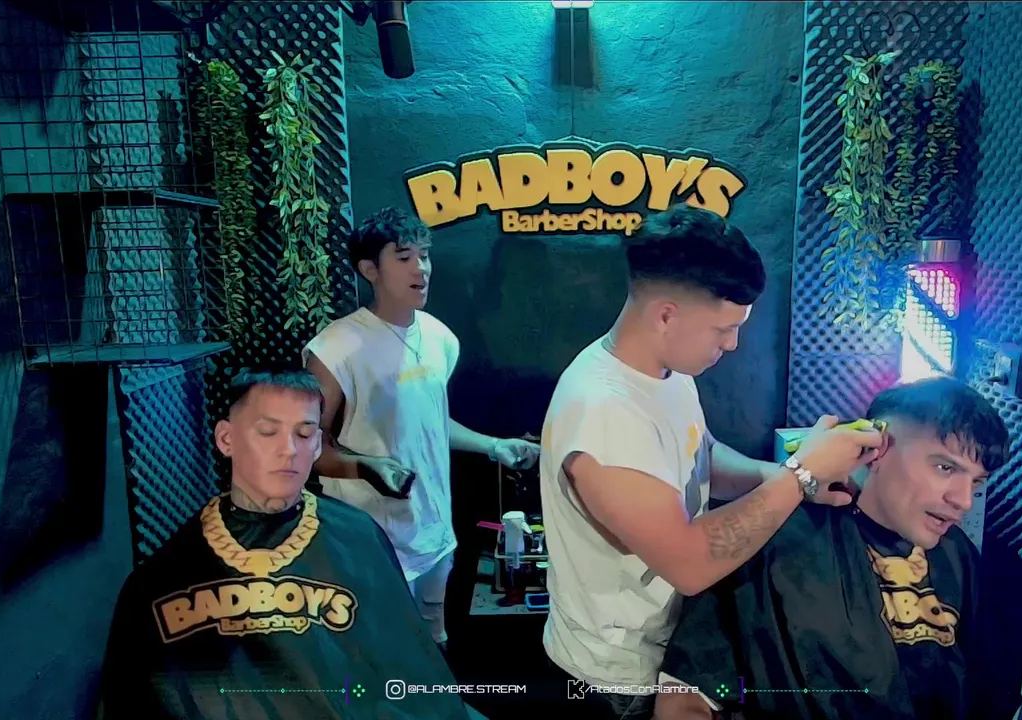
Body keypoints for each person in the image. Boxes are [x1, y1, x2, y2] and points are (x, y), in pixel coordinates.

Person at [537, 204, 884, 719]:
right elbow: (689, 563)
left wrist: (783, 477)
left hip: (670, 651)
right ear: (666, 315)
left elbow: (702, 455)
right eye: (723, 328)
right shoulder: (603, 413)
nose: (733, 343)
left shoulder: (666, 370)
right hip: (614, 683)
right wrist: (800, 474)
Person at [98, 369, 472, 719]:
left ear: (317, 446)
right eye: (268, 432)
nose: (289, 449)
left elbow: (407, 669)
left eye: (304, 434)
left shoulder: (358, 537)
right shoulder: (163, 576)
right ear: (226, 439)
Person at [655, 376, 1020, 720]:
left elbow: (984, 689)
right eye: (945, 468)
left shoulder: (958, 555)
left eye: (976, 482)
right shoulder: (776, 538)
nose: (963, 501)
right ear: (877, 448)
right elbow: (686, 697)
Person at [303, 207, 540, 650]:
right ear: (369, 270)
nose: (421, 268)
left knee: (434, 645)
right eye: (404, 257)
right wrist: (368, 467)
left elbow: (429, 420)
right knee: (383, 657)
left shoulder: (439, 338)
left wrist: (494, 446)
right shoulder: (334, 349)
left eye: (425, 255)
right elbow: (309, 446)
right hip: (373, 543)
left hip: (434, 536)